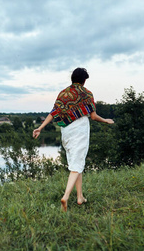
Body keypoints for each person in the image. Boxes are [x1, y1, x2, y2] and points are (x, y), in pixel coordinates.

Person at [33, 67, 114, 212]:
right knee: (76, 165)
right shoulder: (87, 93)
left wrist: (40, 127)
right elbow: (94, 117)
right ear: (84, 80)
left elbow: (54, 112)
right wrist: (106, 120)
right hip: (80, 130)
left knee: (77, 162)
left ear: (72, 78)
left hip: (66, 131)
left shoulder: (63, 93)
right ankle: (66, 196)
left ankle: (80, 197)